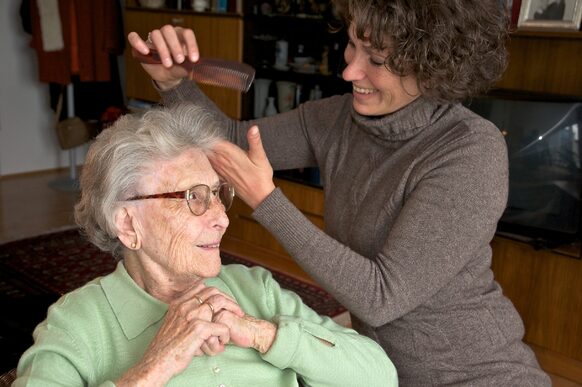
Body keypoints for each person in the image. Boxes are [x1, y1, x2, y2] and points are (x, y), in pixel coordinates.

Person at [127, 0, 552, 385]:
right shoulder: (337, 119)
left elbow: (381, 297)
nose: (350, 71)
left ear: (433, 66)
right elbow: (235, 144)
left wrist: (267, 202)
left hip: (474, 374)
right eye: (352, 45)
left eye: (377, 60)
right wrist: (172, 84)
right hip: (377, 368)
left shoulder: (469, 151)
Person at [13, 104, 397, 386]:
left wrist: (265, 334)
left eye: (218, 194)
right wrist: (156, 366)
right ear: (128, 223)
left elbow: (379, 377)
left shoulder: (254, 291)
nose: (223, 217)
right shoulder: (78, 323)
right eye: (193, 197)